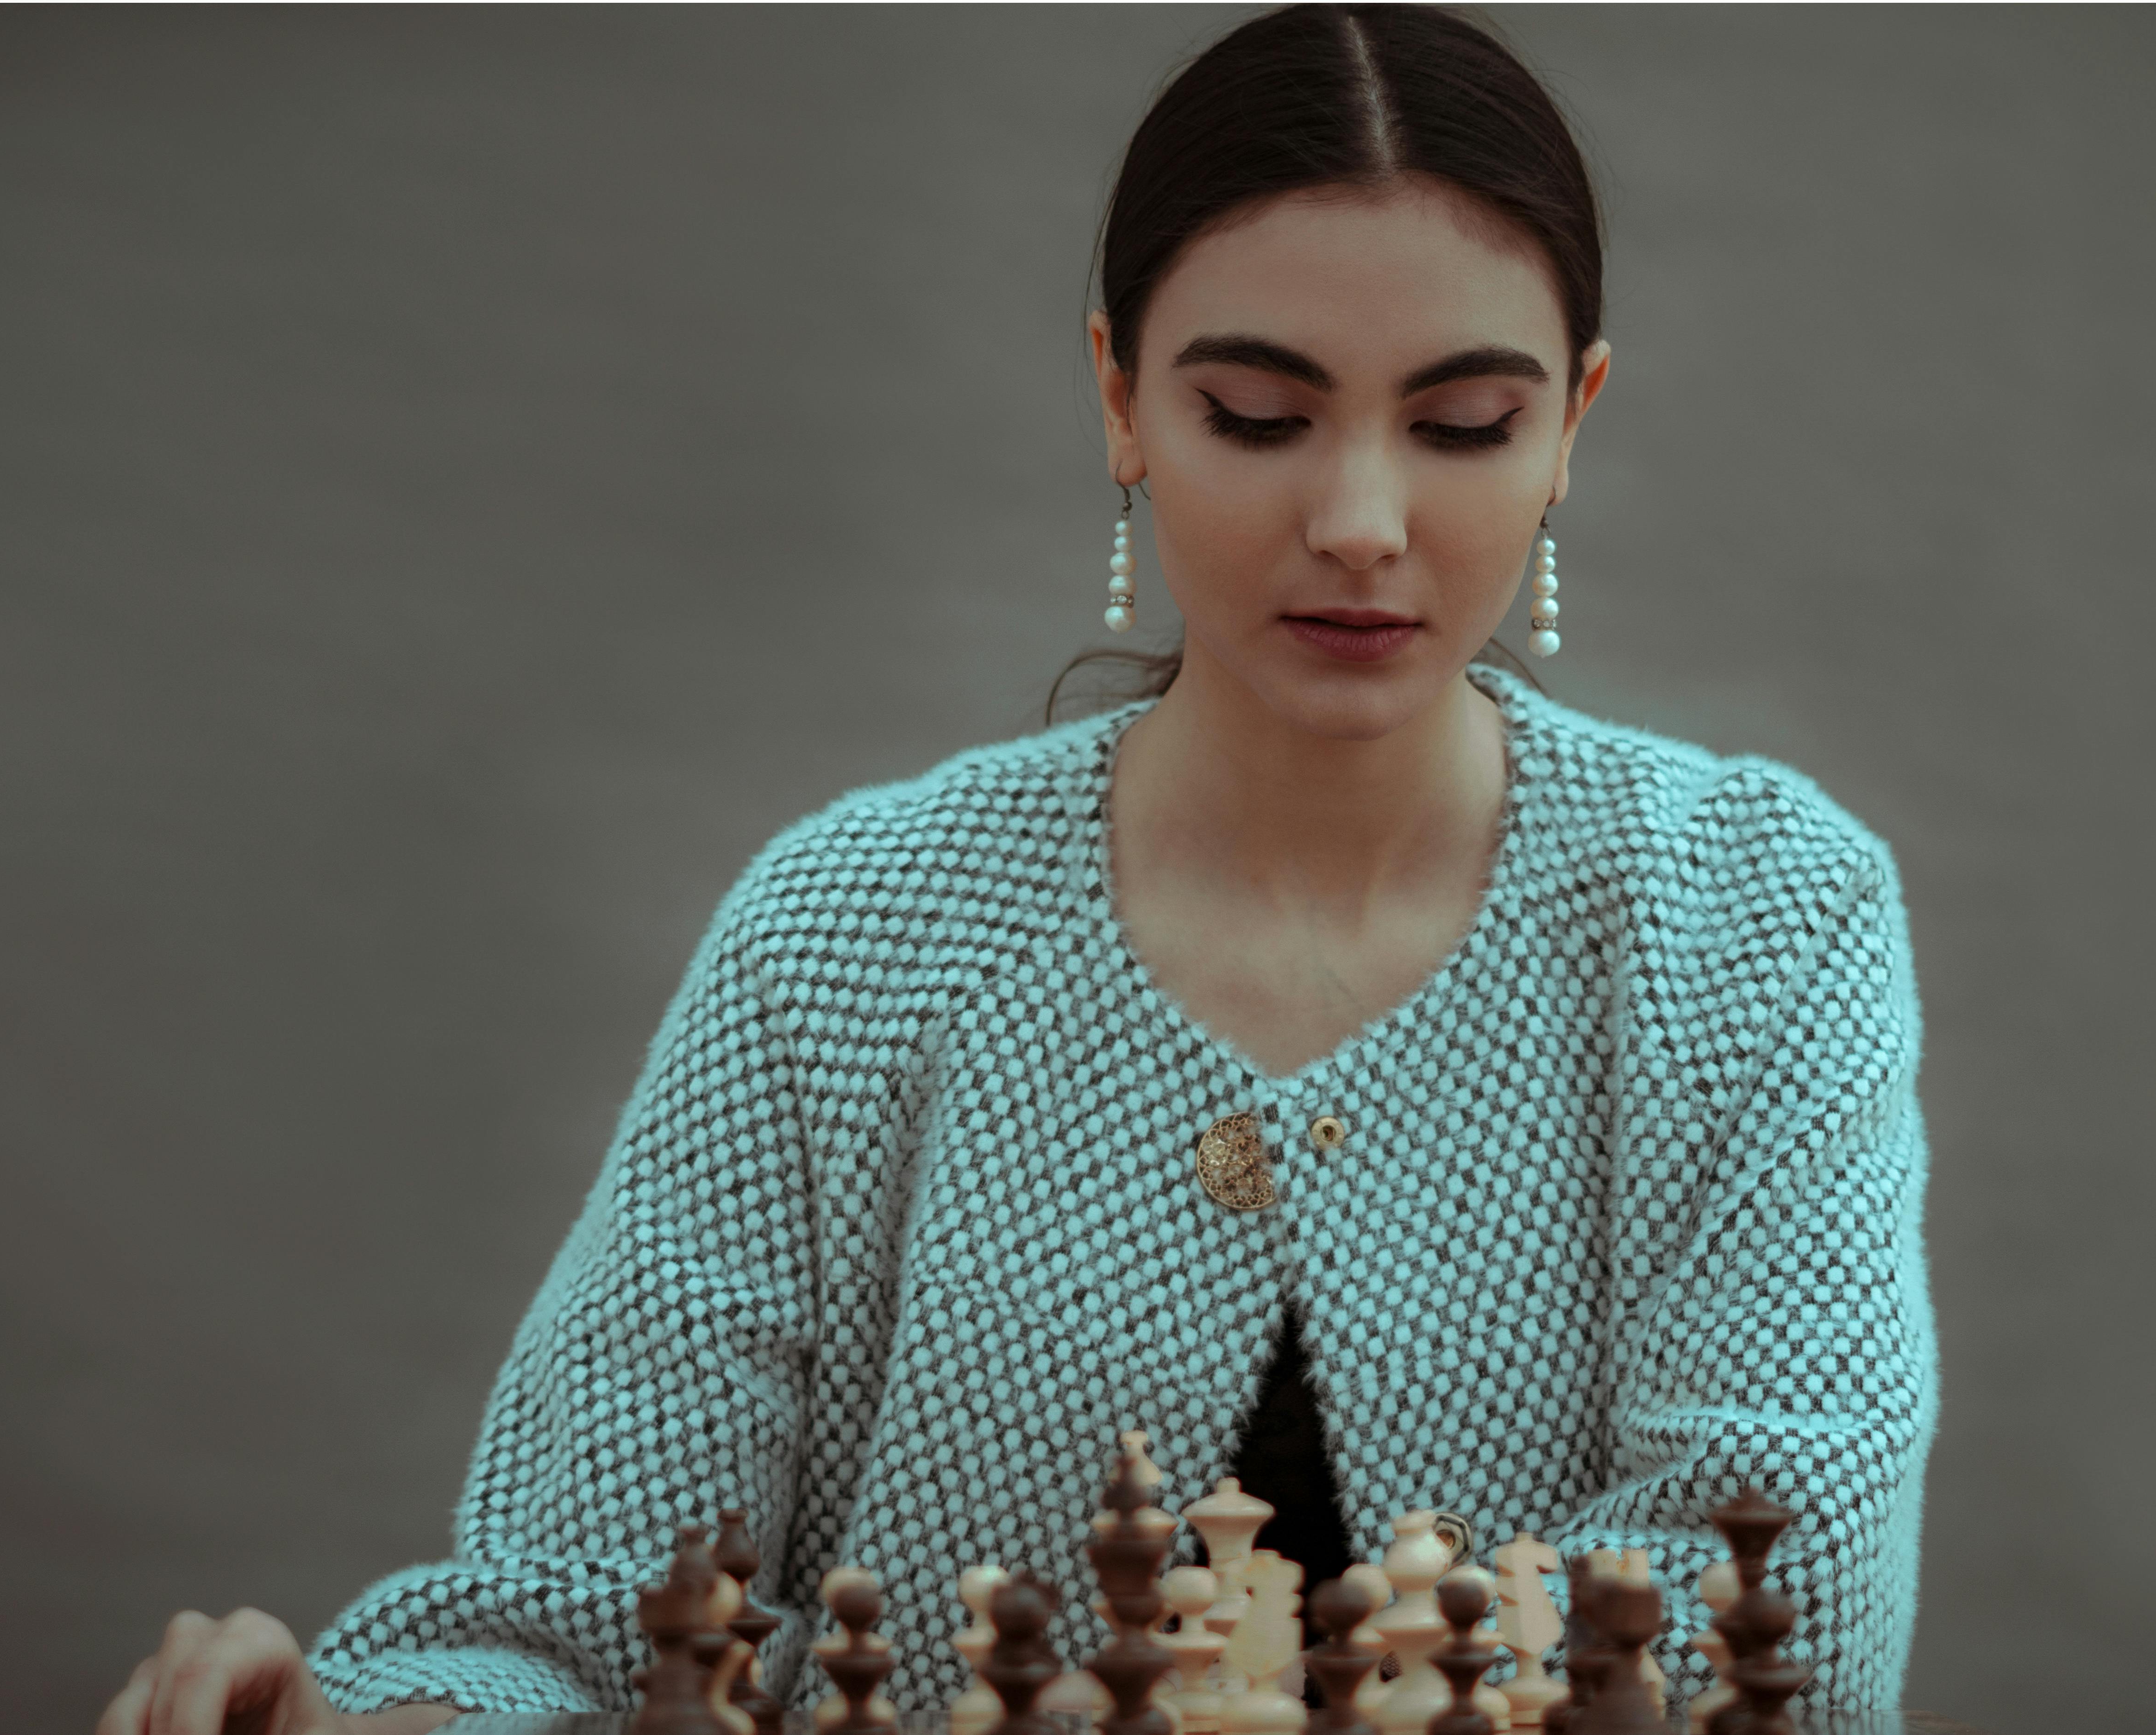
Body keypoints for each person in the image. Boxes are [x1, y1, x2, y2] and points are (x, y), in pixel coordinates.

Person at [96, 7, 1938, 1733]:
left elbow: (1797, 1607)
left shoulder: (1753, 918)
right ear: (1118, 398)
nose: (1362, 521)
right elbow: (578, 1615)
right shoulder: (847, 932)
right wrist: (349, 1720)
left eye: (1462, 424)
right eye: (1255, 413)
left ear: (1572, 428)